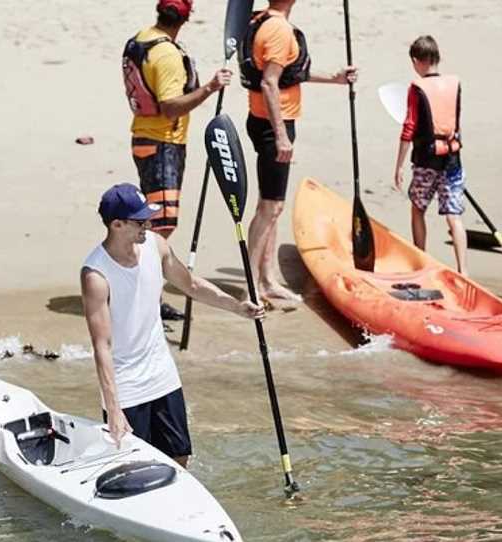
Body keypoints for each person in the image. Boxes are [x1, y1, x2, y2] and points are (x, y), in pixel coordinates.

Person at [81, 183, 264, 467]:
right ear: (117, 224)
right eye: (141, 221)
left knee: (180, 457)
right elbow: (101, 347)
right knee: (134, 467)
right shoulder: (96, 274)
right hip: (126, 385)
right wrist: (114, 409)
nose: (149, 225)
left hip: (162, 375)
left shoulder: (157, 246)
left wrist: (238, 307)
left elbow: (191, 285)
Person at [238, 0, 356, 303]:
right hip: (273, 126)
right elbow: (269, 83)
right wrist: (280, 137)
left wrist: (334, 78)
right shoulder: (278, 29)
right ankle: (252, 286)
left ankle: (267, 279)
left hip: (262, 120)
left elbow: (288, 72)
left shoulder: (263, 20)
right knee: (270, 208)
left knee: (271, 205)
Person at [122, 0, 233, 321]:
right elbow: (171, 106)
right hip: (162, 145)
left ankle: (147, 297)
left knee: (155, 222)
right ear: (186, 18)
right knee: (161, 225)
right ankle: (143, 297)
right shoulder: (167, 54)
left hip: (147, 139)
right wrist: (211, 87)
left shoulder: (141, 38)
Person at [392, 35, 468, 275]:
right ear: (437, 57)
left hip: (426, 161)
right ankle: (463, 270)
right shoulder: (454, 84)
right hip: (453, 159)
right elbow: (456, 119)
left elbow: (409, 127)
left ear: (417, 61)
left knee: (418, 208)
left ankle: (421, 261)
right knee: (454, 217)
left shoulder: (417, 88)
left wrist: (400, 166)